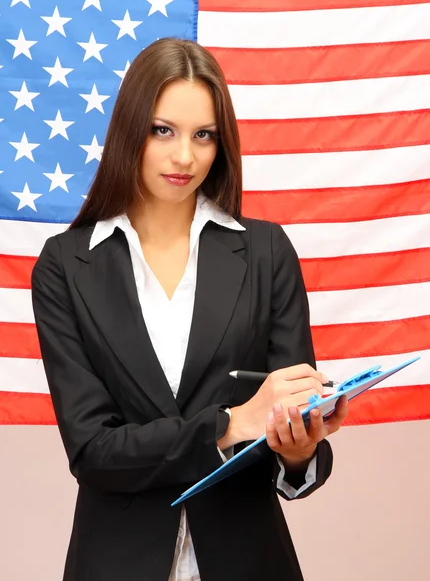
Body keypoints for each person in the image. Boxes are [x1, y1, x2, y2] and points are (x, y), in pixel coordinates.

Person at [31, 37, 348, 581]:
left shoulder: (268, 253)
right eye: (163, 130)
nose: (185, 156)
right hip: (115, 563)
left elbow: (290, 444)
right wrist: (232, 422)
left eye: (204, 135)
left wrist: (298, 448)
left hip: (250, 559)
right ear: (131, 128)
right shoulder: (64, 265)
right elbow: (93, 450)